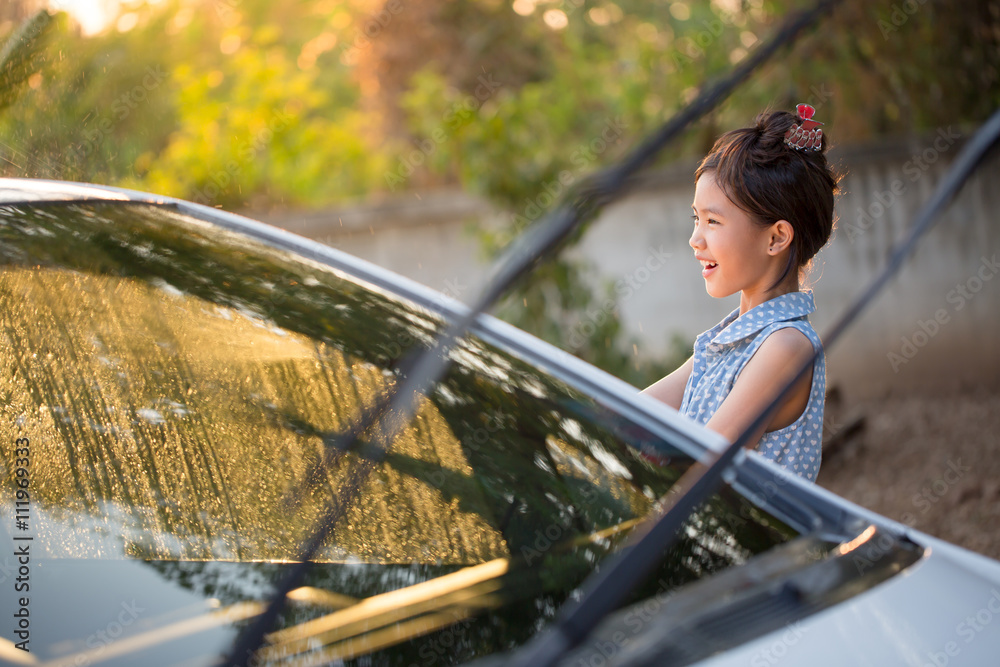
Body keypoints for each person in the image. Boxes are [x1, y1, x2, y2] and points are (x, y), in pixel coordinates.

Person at [642, 104, 838, 481]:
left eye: (713, 221)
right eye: (696, 219)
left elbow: (699, 471)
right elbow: (628, 418)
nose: (694, 239)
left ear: (776, 237)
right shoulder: (728, 341)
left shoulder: (786, 347)